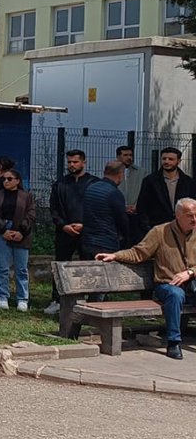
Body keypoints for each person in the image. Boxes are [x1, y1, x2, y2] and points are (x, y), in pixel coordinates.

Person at [96, 198, 196, 360]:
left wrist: (190, 272)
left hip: (193, 284)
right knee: (175, 295)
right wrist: (115, 255)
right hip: (167, 285)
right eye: (190, 215)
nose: (194, 219)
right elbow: (138, 253)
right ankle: (174, 342)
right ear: (178, 215)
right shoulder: (160, 232)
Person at [46, 149, 96, 314]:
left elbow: (97, 209)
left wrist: (85, 225)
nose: (71, 165)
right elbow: (54, 209)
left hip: (86, 232)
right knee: (60, 265)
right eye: (69, 162)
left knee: (88, 264)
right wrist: (63, 225)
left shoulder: (93, 183)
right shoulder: (60, 184)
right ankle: (57, 299)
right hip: (64, 232)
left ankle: (88, 298)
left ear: (83, 162)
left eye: (75, 162)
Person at [0, 168, 35, 311]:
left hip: (21, 232)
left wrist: (22, 231)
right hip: (3, 231)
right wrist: (3, 230)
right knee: (2, 267)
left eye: (9, 179)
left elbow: (31, 214)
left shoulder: (26, 196)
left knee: (21, 268)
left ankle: (22, 298)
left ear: (18, 181)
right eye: (4, 179)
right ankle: (2, 296)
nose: (6, 182)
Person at [80, 160, 129, 260]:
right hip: (106, 243)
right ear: (120, 174)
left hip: (87, 242)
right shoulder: (114, 193)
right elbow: (122, 221)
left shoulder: (90, 188)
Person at [137, 147, 196, 231]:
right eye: (164, 159)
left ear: (178, 161)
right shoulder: (150, 181)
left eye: (171, 159)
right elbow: (142, 206)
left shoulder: (188, 182)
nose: (166, 162)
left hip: (182, 227)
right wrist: (147, 227)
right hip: (158, 227)